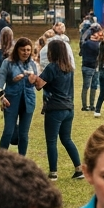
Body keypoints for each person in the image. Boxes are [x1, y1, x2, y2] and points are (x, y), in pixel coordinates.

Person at [36, 39, 83, 182]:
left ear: (53, 52)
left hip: (55, 109)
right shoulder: (69, 68)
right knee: (67, 139)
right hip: (68, 108)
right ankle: (79, 169)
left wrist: (32, 77)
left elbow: (39, 85)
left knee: (51, 141)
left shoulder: (52, 67)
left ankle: (53, 173)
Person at [0, 37, 41, 157]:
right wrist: (2, 97)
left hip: (28, 101)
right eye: (23, 50)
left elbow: (38, 84)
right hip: (10, 101)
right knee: (8, 132)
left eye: (28, 50)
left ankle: (22, 161)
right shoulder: (7, 63)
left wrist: (34, 80)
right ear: (17, 50)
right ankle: (0, 160)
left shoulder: (32, 64)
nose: (26, 53)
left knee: (24, 134)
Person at [79, 26, 100, 112]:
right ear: (95, 34)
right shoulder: (97, 45)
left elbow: (81, 53)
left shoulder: (85, 43)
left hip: (86, 66)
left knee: (86, 86)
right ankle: (92, 105)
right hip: (94, 66)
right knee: (93, 86)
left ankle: (85, 105)